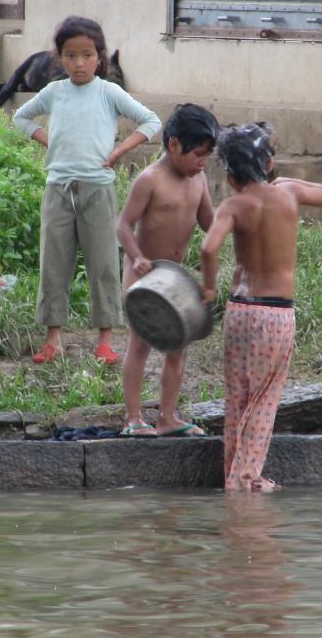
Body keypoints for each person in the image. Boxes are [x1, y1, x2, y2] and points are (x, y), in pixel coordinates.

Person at [13, 16, 162, 365]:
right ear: (60, 58)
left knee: (103, 265)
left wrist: (119, 151)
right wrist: (48, 141)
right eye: (70, 55)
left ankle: (105, 342)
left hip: (98, 190)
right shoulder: (54, 92)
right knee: (53, 264)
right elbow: (21, 117)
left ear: (100, 57)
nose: (79, 63)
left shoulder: (109, 92)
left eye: (87, 55)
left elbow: (151, 122)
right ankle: (53, 340)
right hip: (58, 190)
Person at [200, 122, 322, 491]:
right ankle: (247, 480)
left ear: (230, 176)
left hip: (239, 310)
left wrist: (210, 288)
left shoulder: (233, 204)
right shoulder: (288, 192)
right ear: (268, 164)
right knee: (263, 401)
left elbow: (208, 248)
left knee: (237, 398)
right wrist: (282, 179)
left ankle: (232, 473)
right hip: (276, 314)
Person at [116, 103, 220, 437]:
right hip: (143, 275)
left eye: (207, 155)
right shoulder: (150, 180)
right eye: (198, 154)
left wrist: (232, 226)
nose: (202, 162)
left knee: (178, 347)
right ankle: (133, 418)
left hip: (174, 278)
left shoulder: (199, 178)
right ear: (174, 145)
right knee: (140, 345)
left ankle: (167, 416)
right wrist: (136, 258)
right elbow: (123, 225)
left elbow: (208, 221)